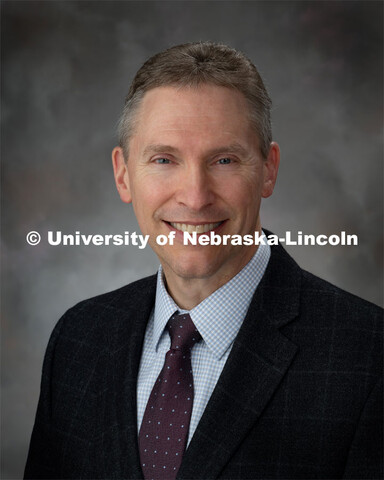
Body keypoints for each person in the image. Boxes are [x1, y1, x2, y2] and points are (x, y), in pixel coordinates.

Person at [24, 42, 382, 480]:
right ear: (123, 174)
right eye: (164, 159)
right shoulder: (78, 340)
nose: (195, 196)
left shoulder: (369, 356)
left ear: (268, 170)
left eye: (225, 160)